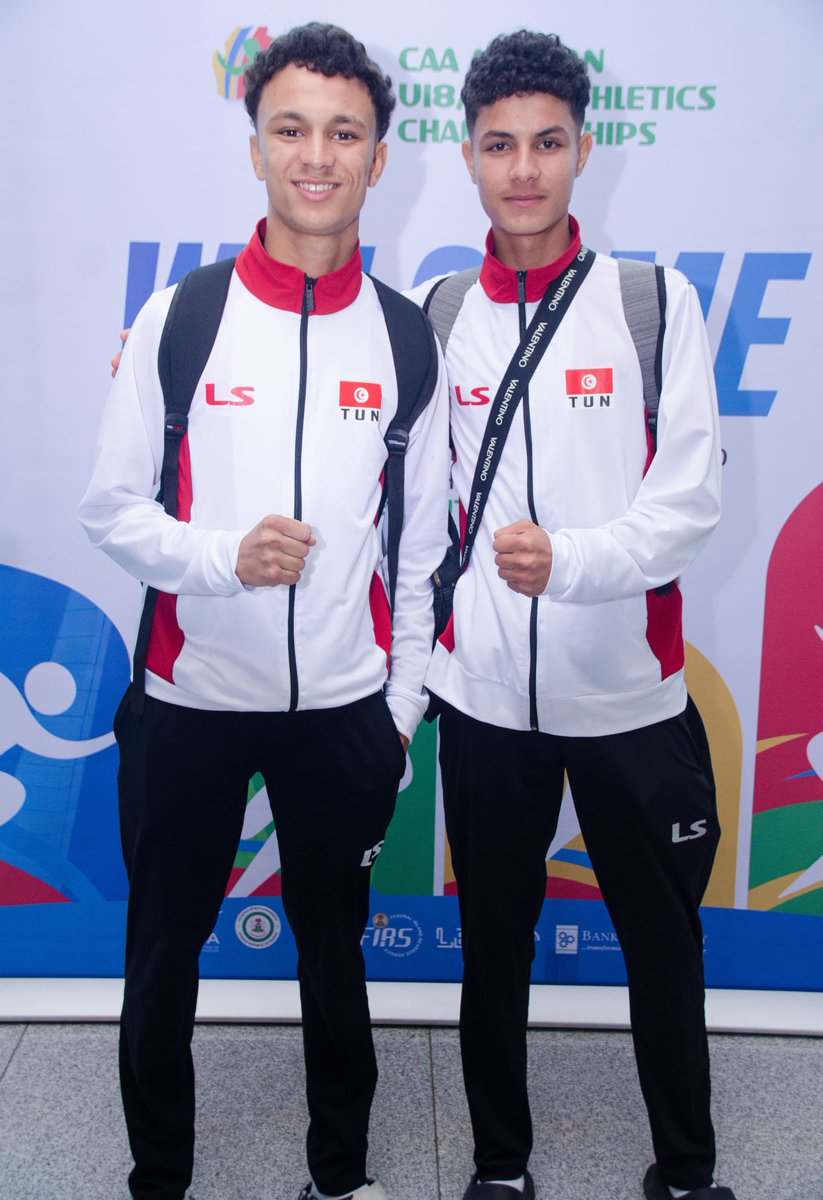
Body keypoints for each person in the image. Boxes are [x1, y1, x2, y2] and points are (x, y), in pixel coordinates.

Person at [79, 23, 448, 1200]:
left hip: (340, 710)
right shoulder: (182, 319)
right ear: (255, 148)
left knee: (336, 960)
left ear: (378, 159)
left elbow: (422, 548)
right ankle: (159, 1178)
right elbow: (109, 509)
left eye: (344, 132)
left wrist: (392, 716)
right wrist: (221, 559)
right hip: (188, 703)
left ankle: (338, 1177)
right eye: (291, 128)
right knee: (160, 961)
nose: (317, 156)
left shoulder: (401, 337)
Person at [411, 31, 736, 1200]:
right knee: (491, 947)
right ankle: (500, 1167)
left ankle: (687, 1171)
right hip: (486, 695)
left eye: (547, 142)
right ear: (468, 156)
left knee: (664, 945)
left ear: (583, 149)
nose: (524, 169)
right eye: (499, 145)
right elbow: (413, 515)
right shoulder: (442, 313)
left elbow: (689, 500)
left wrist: (579, 562)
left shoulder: (653, 304)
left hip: (629, 693)